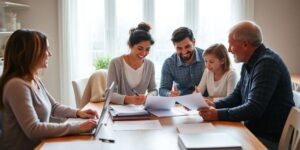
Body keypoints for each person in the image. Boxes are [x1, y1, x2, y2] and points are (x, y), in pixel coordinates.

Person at [198, 21, 295, 149]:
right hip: (252, 132)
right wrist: (214, 105)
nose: (228, 50)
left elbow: (254, 108)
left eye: (231, 45)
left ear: (245, 44)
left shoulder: (267, 64)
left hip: (267, 139)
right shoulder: (248, 64)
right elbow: (237, 96)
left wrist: (217, 114)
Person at [0, 29, 99, 150]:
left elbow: (54, 107)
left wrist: (78, 113)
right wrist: (77, 127)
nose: (49, 54)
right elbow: (33, 129)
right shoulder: (16, 86)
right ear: (31, 52)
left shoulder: (34, 79)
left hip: (43, 145)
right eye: (46, 49)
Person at [107, 22, 157, 105]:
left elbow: (154, 90)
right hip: (119, 112)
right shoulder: (115, 63)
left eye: (147, 49)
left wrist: (149, 96)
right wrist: (129, 99)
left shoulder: (150, 65)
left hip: (141, 111)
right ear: (130, 45)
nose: (144, 53)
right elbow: (109, 94)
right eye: (140, 48)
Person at [159, 27, 205, 97]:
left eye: (187, 46)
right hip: (181, 104)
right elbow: (163, 90)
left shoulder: (206, 57)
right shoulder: (169, 63)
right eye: (179, 48)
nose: (184, 52)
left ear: (194, 42)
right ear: (174, 46)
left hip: (205, 100)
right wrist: (169, 94)